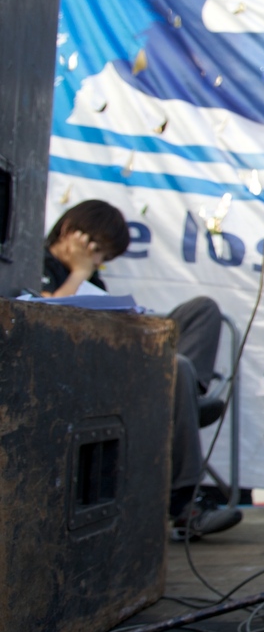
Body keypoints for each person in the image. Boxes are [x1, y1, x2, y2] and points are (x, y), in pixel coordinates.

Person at [42, 200, 242, 541]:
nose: (97, 262)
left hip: (117, 362)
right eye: (96, 251)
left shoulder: (93, 279)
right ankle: (186, 503)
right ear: (69, 232)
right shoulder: (39, 262)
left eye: (103, 257)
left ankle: (184, 394)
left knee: (201, 310)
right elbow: (46, 321)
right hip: (79, 378)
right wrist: (78, 273)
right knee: (176, 366)